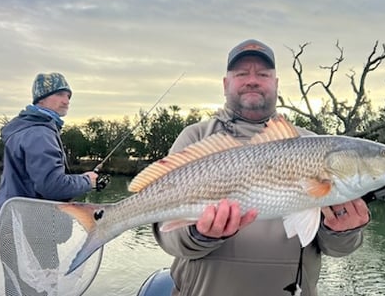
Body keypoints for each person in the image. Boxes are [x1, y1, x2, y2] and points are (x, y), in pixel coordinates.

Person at [153, 39, 370, 296]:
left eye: (263, 74)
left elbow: (336, 249)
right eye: (242, 73)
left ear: (276, 84)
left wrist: (343, 230)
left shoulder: (313, 145)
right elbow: (167, 232)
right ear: (225, 84)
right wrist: (200, 234)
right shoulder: (196, 137)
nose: (252, 80)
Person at [0, 72, 99, 295]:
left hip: (13, 227)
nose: (66, 101)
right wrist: (86, 181)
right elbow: (52, 185)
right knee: (40, 290)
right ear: (41, 98)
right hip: (32, 230)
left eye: (69, 96)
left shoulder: (23, 129)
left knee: (17, 289)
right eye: (60, 94)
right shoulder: (39, 133)